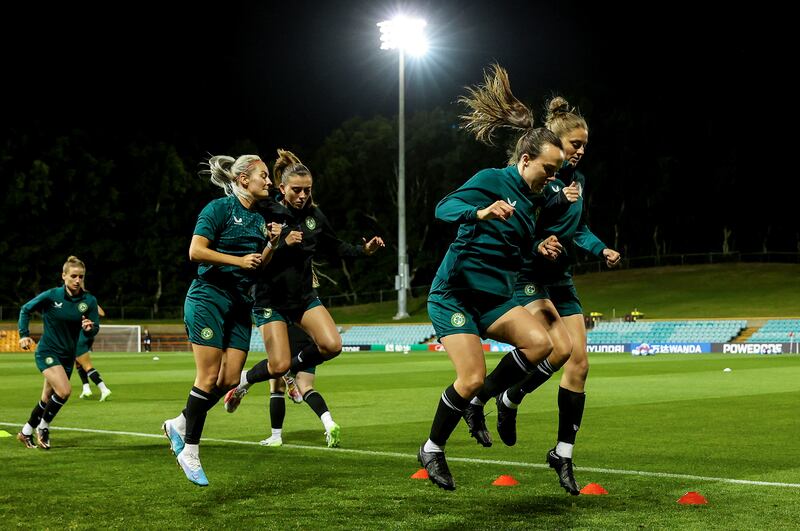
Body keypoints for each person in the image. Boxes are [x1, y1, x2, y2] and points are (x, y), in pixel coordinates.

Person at [416, 64, 566, 491]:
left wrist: (538, 246)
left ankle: (481, 402)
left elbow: (517, 243)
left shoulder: (534, 201)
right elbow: (443, 209)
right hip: (455, 295)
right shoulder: (490, 181)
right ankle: (432, 448)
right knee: (470, 377)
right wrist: (478, 211)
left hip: (494, 297)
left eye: (557, 172)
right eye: (548, 170)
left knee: (541, 343)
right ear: (524, 160)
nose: (552, 179)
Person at [466, 97, 621, 495]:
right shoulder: (539, 180)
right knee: (557, 346)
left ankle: (561, 453)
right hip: (529, 275)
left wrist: (600, 247)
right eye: (576, 144)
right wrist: (540, 234)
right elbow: (522, 223)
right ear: (557, 142)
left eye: (586, 145)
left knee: (580, 364)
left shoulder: (577, 183)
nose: (582, 151)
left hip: (561, 278)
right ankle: (500, 397)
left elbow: (576, 229)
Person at [223, 149, 384, 413]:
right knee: (277, 366)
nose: (303, 196)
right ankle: (244, 382)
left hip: (302, 297)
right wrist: (282, 243)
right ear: (282, 187)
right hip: (270, 299)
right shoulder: (265, 209)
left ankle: (284, 370)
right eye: (296, 190)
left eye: (307, 190)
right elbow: (254, 254)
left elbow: (336, 247)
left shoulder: (314, 217)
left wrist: (363, 250)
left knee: (332, 345)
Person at [160, 154, 281, 487]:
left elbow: (258, 265)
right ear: (243, 179)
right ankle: (191, 450)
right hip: (209, 297)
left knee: (229, 380)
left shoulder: (260, 219)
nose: (269, 181)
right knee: (208, 374)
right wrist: (237, 260)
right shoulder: (219, 209)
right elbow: (196, 251)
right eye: (264, 175)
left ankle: (179, 424)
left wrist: (271, 244)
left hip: (241, 305)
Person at [16, 256, 100, 450]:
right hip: (47, 351)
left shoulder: (88, 301)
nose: (77, 280)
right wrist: (23, 335)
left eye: (81, 276)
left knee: (47, 398)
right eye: (73, 276)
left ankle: (25, 432)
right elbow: (25, 309)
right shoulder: (52, 296)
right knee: (64, 391)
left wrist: (89, 328)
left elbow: (95, 327)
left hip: (67, 356)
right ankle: (43, 427)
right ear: (64, 276)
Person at [259, 323, 341, 448]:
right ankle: (329, 423)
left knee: (276, 389)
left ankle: (275, 436)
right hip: (307, 344)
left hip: (285, 338)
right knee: (307, 387)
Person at [75, 301, 112, 401]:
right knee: (78, 363)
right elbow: (102, 313)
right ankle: (86, 389)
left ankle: (104, 389)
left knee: (86, 365)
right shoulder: (87, 303)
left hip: (80, 336)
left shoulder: (78, 302)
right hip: (87, 336)